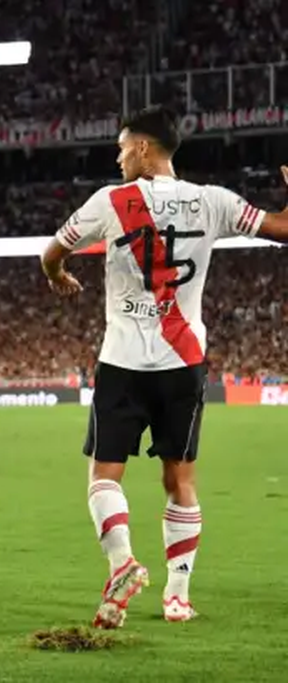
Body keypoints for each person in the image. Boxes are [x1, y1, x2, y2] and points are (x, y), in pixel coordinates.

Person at [40, 106, 288, 628]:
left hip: (122, 361)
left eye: (122, 147)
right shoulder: (213, 201)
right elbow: (282, 228)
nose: (118, 157)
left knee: (104, 475)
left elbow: (52, 252)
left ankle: (122, 563)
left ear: (143, 148)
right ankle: (177, 598)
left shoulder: (110, 201)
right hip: (183, 361)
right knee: (180, 479)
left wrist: (57, 274)